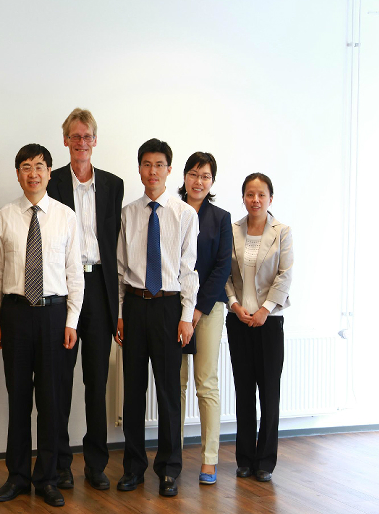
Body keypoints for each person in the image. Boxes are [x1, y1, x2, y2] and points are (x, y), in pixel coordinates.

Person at [0, 144, 84, 508]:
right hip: (15, 315)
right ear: (18, 174)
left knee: (50, 400)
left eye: (39, 167)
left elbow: (75, 275)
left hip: (53, 316)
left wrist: (72, 321)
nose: (33, 173)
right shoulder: (5, 216)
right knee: (18, 399)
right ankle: (17, 476)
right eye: (26, 167)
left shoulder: (65, 216)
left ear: (49, 172)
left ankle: (47, 478)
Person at [115, 138, 198, 498]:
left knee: (168, 392)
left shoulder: (185, 214)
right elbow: (120, 269)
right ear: (139, 169)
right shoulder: (128, 213)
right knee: (133, 391)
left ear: (169, 170)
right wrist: (119, 314)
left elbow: (189, 269)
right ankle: (133, 468)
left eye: (159, 165)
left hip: (168, 308)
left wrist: (186, 316)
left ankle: (169, 469)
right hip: (134, 306)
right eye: (147, 164)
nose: (153, 171)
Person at [46, 109, 123, 491]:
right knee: (60, 380)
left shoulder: (113, 185)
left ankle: (95, 464)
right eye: (74, 136)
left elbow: (115, 245)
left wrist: (119, 306)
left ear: (95, 140)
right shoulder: (52, 181)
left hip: (100, 291)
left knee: (96, 382)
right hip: (64, 290)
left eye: (87, 136)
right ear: (66, 141)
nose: (81, 143)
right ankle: (61, 463)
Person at [225, 173, 293, 483]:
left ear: (270, 198)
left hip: (269, 322)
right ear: (243, 198)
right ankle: (244, 459)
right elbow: (225, 274)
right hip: (239, 321)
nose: (255, 199)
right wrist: (234, 304)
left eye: (261, 194)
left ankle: (265, 460)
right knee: (243, 392)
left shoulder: (282, 232)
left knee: (269, 392)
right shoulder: (232, 230)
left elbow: (284, 275)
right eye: (250, 194)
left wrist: (265, 310)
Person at [177, 152, 232, 485]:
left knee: (206, 382)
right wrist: (184, 308)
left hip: (209, 309)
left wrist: (197, 309)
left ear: (212, 182)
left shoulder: (221, 218)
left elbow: (222, 267)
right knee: (176, 382)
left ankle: (209, 459)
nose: (199, 181)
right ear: (184, 176)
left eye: (206, 176)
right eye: (194, 174)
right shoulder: (170, 210)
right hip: (174, 307)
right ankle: (173, 455)